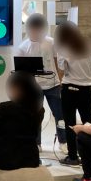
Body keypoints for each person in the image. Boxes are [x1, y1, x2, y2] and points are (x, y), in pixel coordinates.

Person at [17, 13, 65, 152]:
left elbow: (57, 61)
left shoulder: (51, 42)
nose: (35, 31)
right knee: (35, 115)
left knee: (59, 114)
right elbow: (20, 69)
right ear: (29, 29)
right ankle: (36, 143)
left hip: (53, 84)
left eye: (37, 28)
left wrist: (61, 79)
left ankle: (63, 141)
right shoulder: (23, 47)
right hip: (34, 86)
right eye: (33, 28)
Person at [55, 21, 91, 167]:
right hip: (87, 89)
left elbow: (62, 68)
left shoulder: (63, 48)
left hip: (70, 89)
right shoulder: (88, 44)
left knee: (70, 124)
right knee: (88, 121)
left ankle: (73, 157)